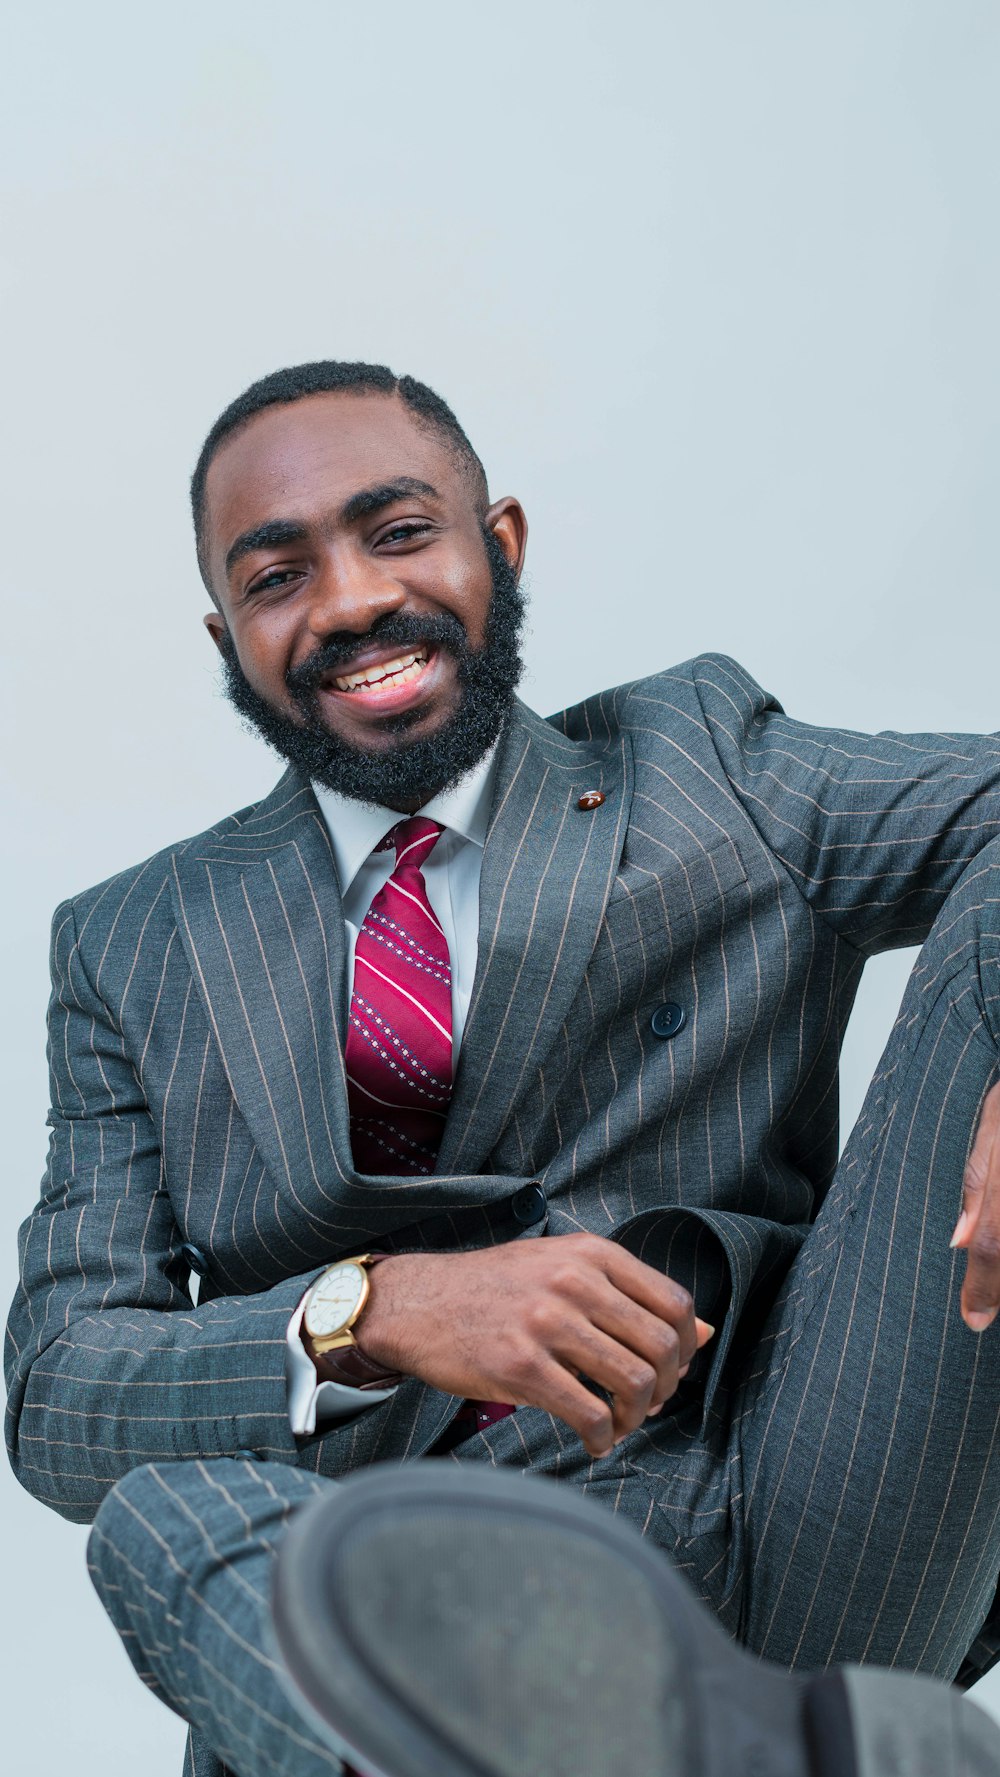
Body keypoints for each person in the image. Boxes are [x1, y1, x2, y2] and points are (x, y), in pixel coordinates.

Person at [7, 358, 1000, 1777]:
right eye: (278, 576)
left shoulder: (706, 766)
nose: (349, 601)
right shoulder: (133, 943)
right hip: (426, 1601)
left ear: (501, 544)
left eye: (397, 531)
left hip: (794, 1478)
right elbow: (56, 1385)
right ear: (227, 632)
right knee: (154, 1508)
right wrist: (379, 1309)